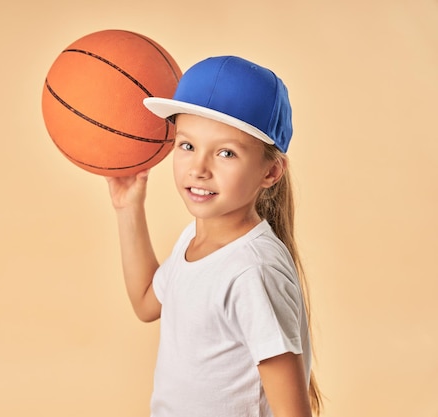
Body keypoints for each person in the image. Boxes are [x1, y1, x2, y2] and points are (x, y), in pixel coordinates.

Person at [106, 56, 322, 417]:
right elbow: (147, 302)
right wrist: (128, 209)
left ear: (270, 171)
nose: (199, 169)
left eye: (226, 153)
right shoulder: (194, 239)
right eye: (187, 146)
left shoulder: (252, 271)